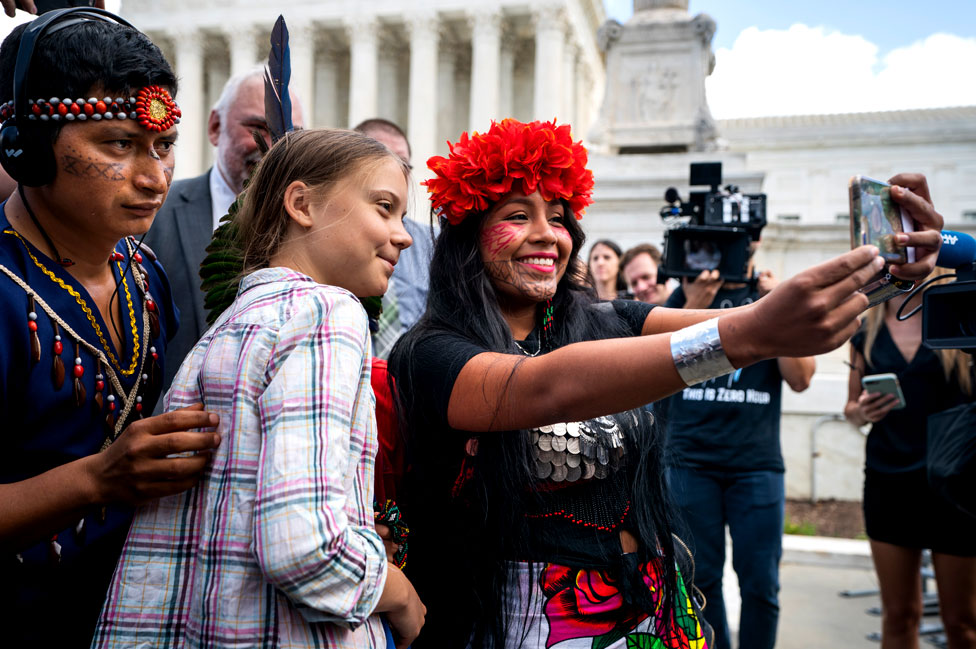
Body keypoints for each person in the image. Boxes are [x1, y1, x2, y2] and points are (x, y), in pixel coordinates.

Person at [386, 119, 944, 648]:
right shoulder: (430, 353)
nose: (545, 236)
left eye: (558, 217)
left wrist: (885, 272)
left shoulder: (607, 320)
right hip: (515, 624)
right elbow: (542, 388)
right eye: (517, 214)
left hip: (651, 610)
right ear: (469, 235)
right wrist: (751, 332)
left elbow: (768, 322)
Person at [93, 128, 426, 649]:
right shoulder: (327, 313)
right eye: (384, 208)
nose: (404, 235)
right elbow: (305, 546)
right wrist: (397, 590)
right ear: (302, 204)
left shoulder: (232, 325)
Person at [0, 11, 219, 647]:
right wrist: (99, 478)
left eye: (163, 146)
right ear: (27, 148)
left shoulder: (142, 271)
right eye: (118, 145)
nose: (153, 178)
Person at [661, 249, 815, 649]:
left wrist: (777, 307)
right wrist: (694, 302)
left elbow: (801, 378)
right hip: (689, 463)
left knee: (761, 584)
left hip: (755, 466)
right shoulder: (684, 296)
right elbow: (652, 363)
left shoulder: (771, 296)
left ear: (756, 239)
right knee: (700, 580)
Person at [147, 67, 304, 394]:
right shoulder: (150, 211)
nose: (273, 146)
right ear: (215, 127)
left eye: (288, 133)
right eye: (258, 127)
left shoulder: (310, 228)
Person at [845, 268, 976, 649]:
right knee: (900, 615)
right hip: (889, 479)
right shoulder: (864, 329)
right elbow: (850, 411)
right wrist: (863, 411)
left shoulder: (961, 312)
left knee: (962, 622)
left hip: (954, 484)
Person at [354, 117, 438, 359]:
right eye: (378, 161)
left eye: (402, 164)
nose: (392, 172)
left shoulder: (433, 242)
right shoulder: (330, 240)